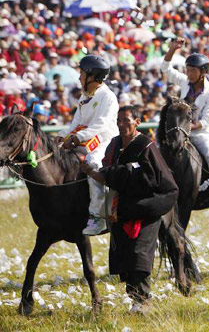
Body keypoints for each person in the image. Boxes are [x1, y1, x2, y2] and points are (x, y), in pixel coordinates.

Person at [81, 106, 178, 313]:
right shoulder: (114, 144)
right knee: (124, 253)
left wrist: (118, 174)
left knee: (138, 253)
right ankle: (134, 297)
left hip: (147, 205)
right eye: (119, 120)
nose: (122, 124)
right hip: (122, 207)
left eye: (127, 120)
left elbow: (152, 178)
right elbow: (106, 169)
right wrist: (93, 170)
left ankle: (143, 300)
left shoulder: (146, 145)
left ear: (137, 122)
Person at [56, 55, 119, 236]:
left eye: (82, 73)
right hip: (85, 137)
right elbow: (75, 122)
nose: (79, 77)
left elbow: (100, 125)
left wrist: (76, 138)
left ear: (92, 75)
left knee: (92, 164)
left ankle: (98, 218)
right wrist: (62, 136)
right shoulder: (84, 97)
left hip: (105, 139)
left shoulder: (108, 97)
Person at [160, 38, 209, 193]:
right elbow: (166, 69)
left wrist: (189, 127)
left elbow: (207, 120)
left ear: (203, 72)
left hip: (200, 135)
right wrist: (172, 49)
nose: (188, 74)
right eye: (187, 70)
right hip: (179, 132)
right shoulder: (184, 82)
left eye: (193, 71)